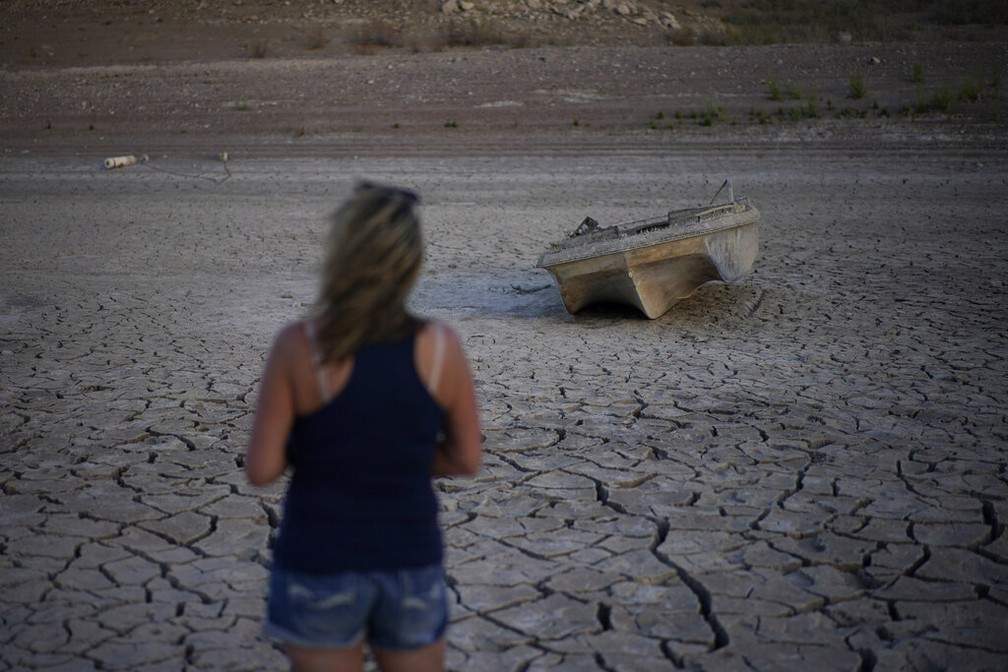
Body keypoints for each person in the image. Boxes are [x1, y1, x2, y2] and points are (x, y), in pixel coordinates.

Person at [245, 182, 483, 672]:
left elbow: (262, 469)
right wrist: (404, 456)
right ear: (410, 263)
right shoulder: (442, 349)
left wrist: (325, 449)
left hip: (320, 561)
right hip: (409, 561)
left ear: (342, 254)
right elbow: (466, 458)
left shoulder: (298, 347)